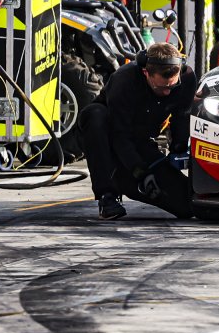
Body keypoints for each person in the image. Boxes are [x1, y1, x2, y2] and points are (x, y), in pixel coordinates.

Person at [77, 43, 196, 220]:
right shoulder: (124, 81)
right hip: (108, 139)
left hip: (142, 141)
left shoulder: (186, 79)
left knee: (187, 206)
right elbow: (120, 135)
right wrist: (140, 172)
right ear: (146, 72)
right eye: (160, 87)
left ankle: (126, 181)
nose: (166, 92)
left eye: (171, 87)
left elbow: (183, 117)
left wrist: (178, 150)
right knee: (95, 114)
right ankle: (107, 195)